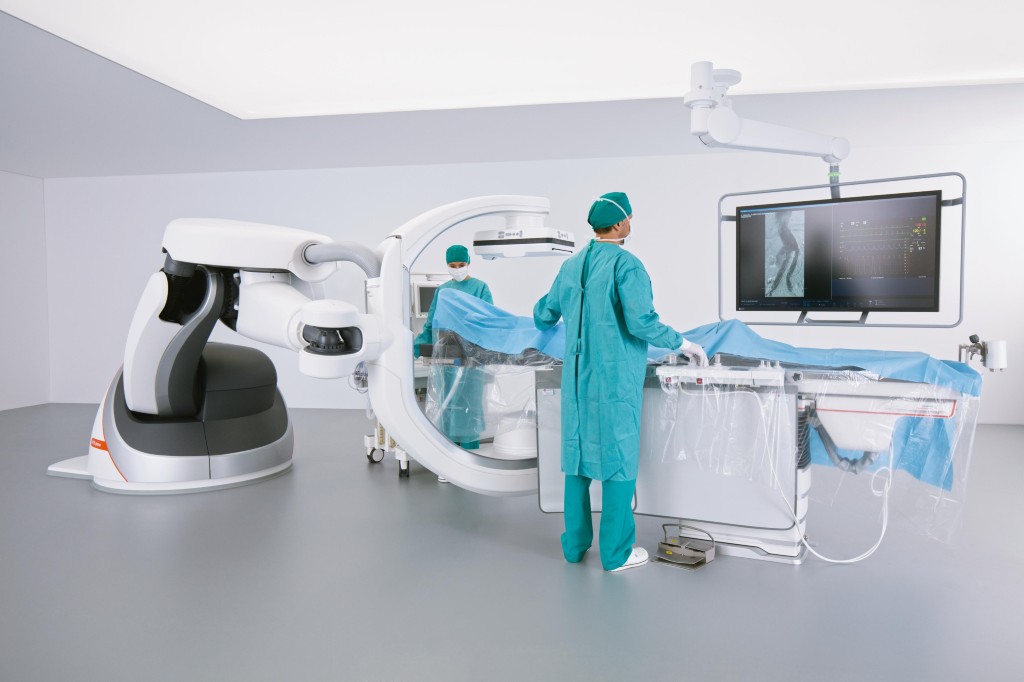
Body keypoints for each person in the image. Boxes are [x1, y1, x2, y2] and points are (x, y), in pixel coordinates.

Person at [533, 192, 708, 572]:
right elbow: (641, 322)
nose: (631, 222)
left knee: (577, 458)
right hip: (614, 379)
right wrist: (684, 344)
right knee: (617, 459)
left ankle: (574, 547)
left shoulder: (571, 266)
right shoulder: (627, 266)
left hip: (577, 380)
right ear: (618, 224)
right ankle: (616, 554)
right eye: (629, 217)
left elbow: (544, 314)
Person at [413, 244, 493, 450]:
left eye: (461, 264)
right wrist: (417, 346)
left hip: (472, 355)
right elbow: (431, 322)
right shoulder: (443, 290)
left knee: (469, 401)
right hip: (447, 355)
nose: (457, 269)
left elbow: (489, 318)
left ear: (468, 263)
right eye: (452, 265)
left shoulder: (480, 288)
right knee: (447, 400)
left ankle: (469, 446)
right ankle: (449, 447)